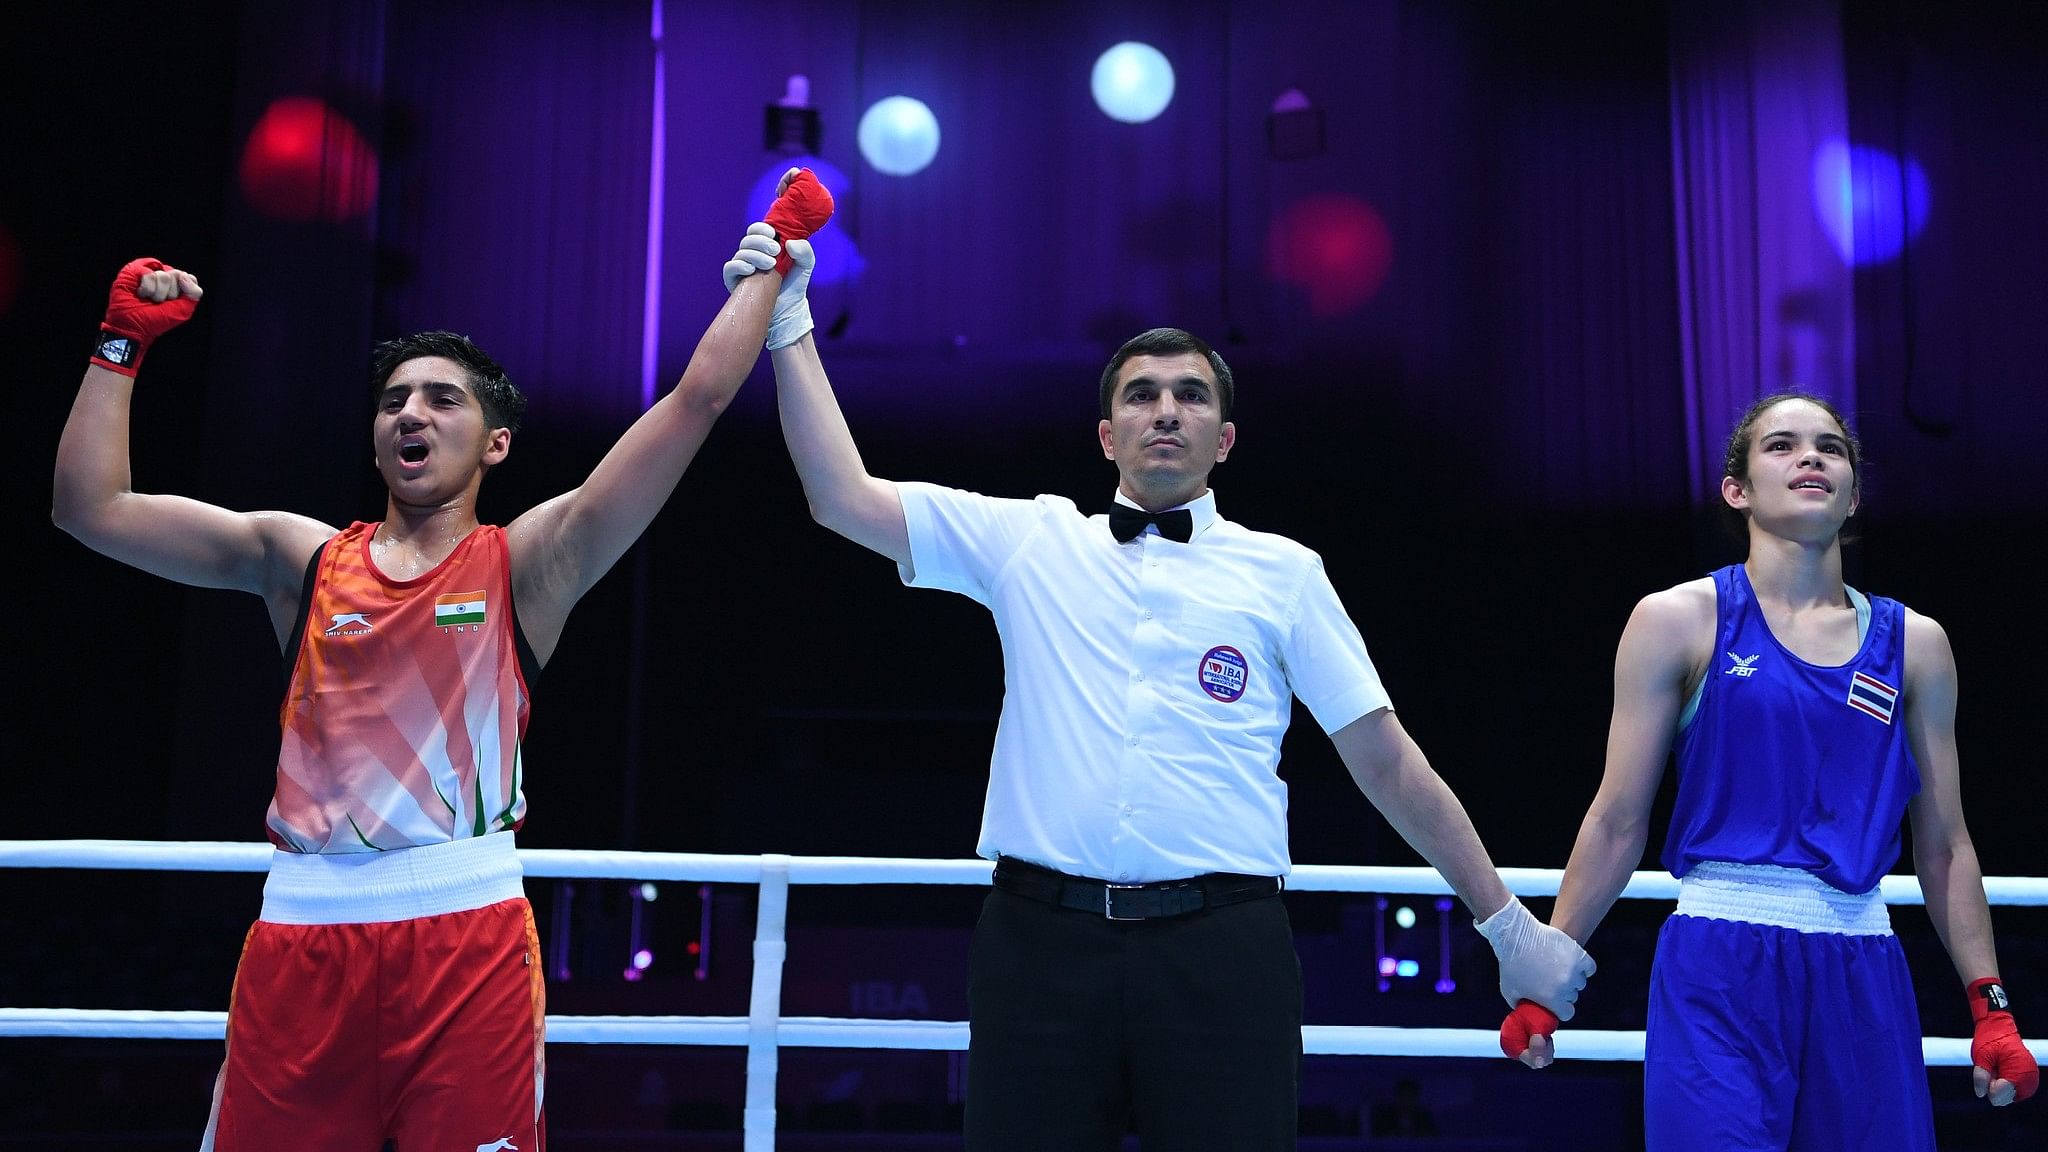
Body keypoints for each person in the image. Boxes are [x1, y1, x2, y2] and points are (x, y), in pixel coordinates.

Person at [720, 172, 1595, 1151]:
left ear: (1223, 439)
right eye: (1140, 396)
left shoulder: (1282, 572)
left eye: (1189, 396)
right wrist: (788, 319)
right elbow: (840, 497)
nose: (1164, 411)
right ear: (1106, 435)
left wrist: (1504, 925)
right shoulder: (1029, 541)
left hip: (1222, 950)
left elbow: (1385, 761)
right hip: (1037, 944)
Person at [50, 174, 833, 1151]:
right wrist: (120, 344)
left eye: (440, 398)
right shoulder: (298, 560)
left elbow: (694, 402)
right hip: (300, 938)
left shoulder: (531, 564)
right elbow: (93, 512)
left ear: (495, 442)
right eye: (392, 401)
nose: (409, 412)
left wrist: (769, 261)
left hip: (469, 942)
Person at [1501, 392, 2039, 1149]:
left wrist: (1992, 1006)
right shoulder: (1676, 620)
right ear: (1738, 490)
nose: (1811, 457)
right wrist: (1550, 974)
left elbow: (1945, 843)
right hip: (1717, 962)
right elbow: (1618, 816)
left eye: (1831, 448)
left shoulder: (1917, 645)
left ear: (1853, 491)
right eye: (1782, 446)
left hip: (1863, 964)